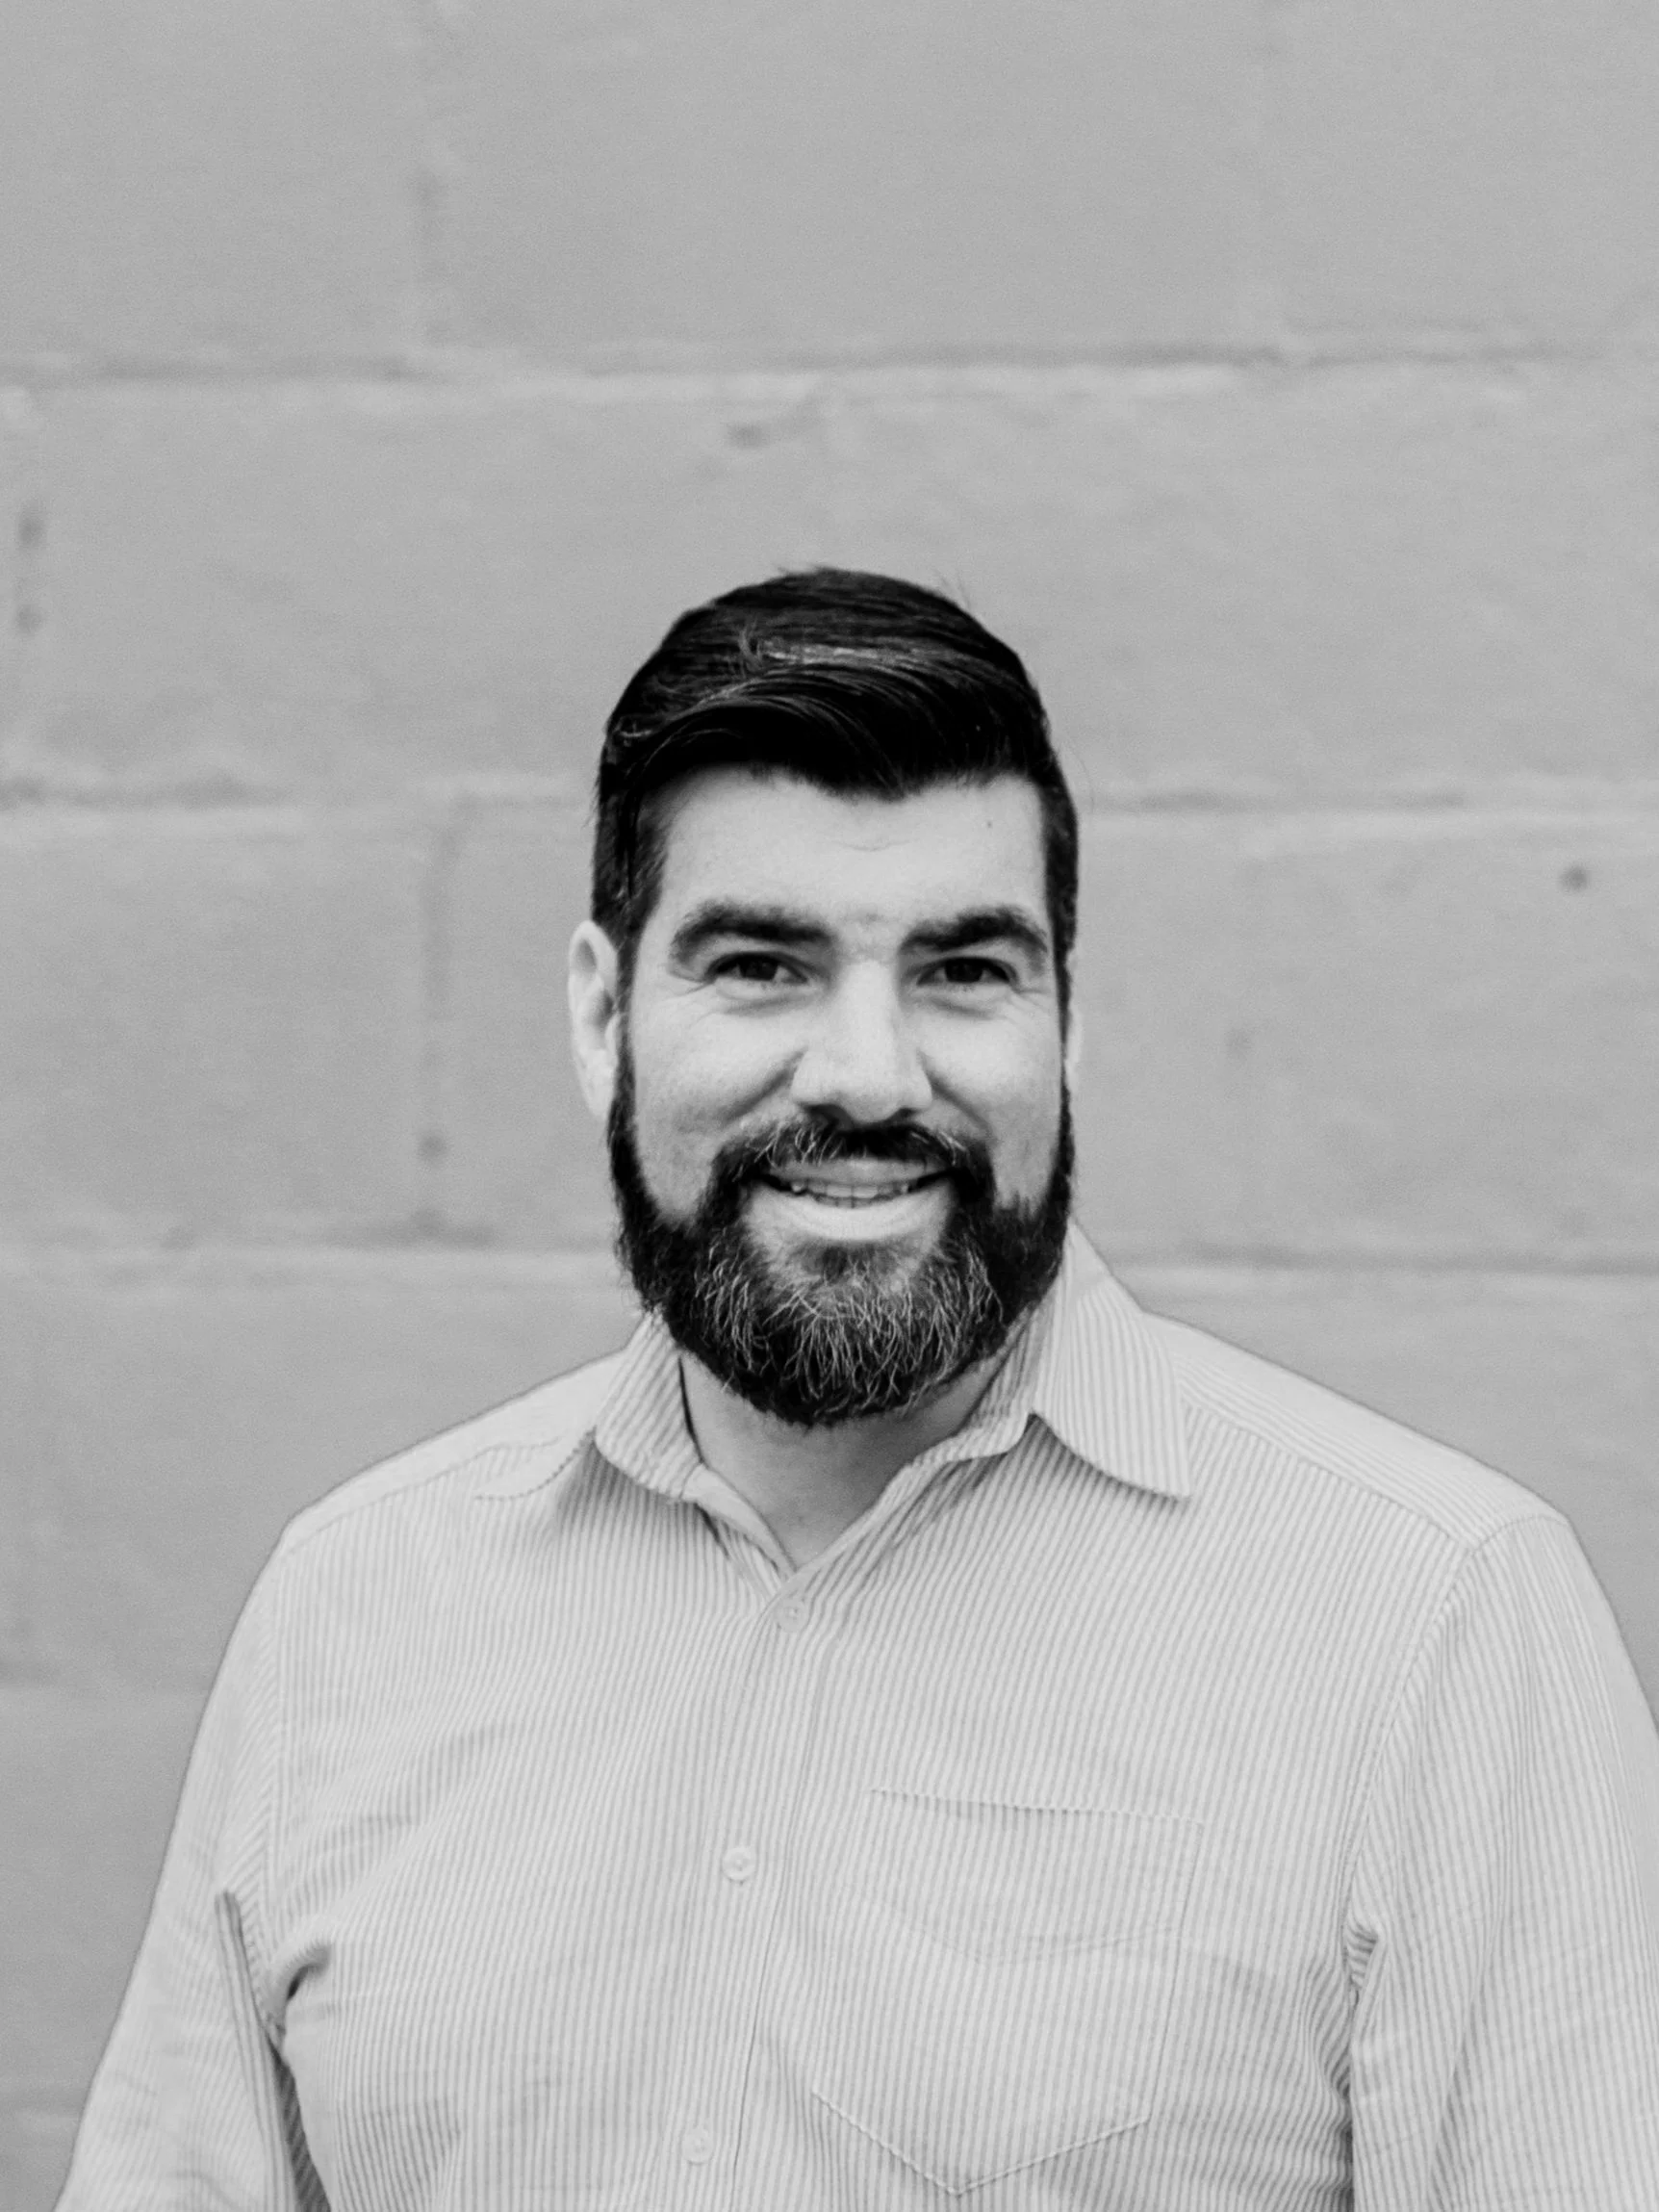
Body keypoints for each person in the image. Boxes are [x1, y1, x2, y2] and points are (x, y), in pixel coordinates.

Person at [61, 570, 1659, 2209]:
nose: (869, 1075)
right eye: (763, 963)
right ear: (604, 1015)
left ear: (1066, 1023)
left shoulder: (1435, 1625)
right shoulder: (353, 1608)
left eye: (963, 969)